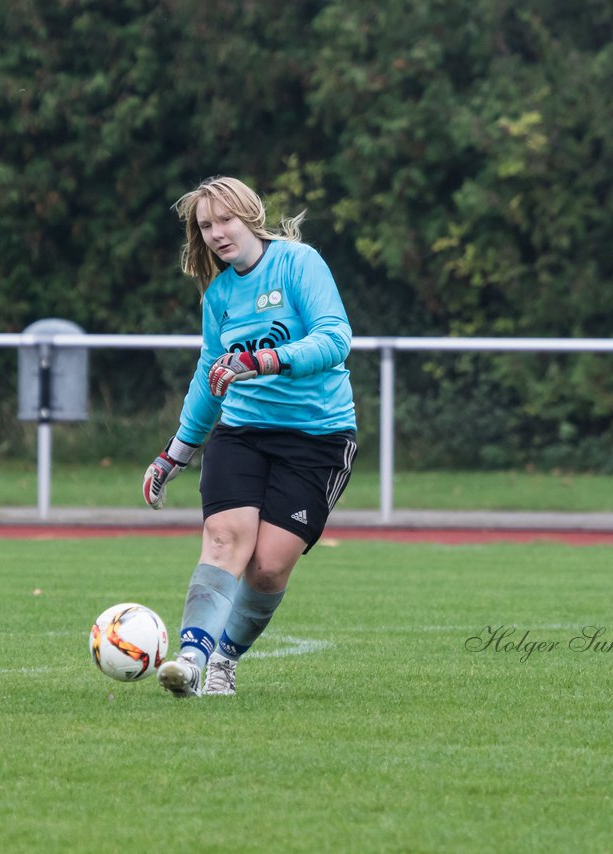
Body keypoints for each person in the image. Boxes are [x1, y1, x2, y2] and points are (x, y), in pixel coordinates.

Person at [142, 175, 357, 698]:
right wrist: (175, 455)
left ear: (250, 215)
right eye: (206, 225)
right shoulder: (219, 294)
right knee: (224, 542)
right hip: (242, 434)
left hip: (316, 439)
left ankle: (225, 658)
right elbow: (208, 376)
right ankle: (191, 662)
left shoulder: (298, 263)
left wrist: (264, 360)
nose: (216, 233)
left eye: (225, 220)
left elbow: (335, 339)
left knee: (265, 567)